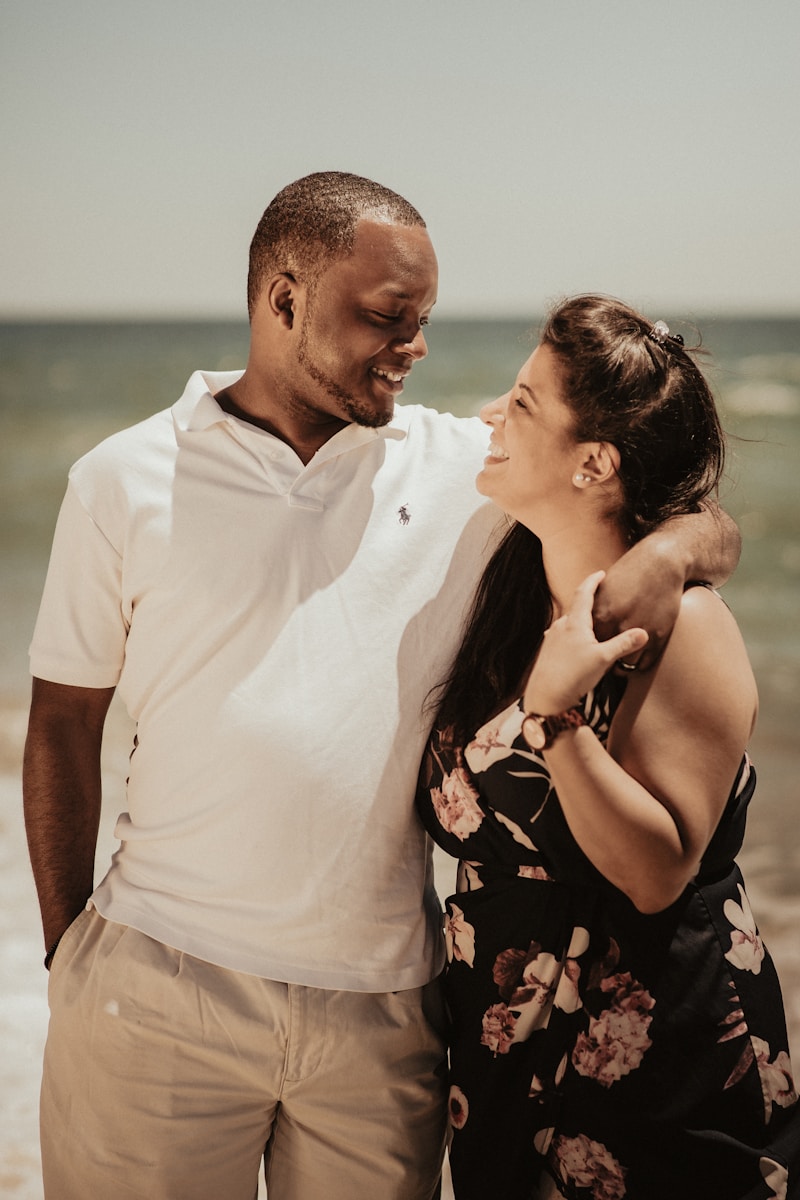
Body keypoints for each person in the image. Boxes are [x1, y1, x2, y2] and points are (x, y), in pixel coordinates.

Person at [24, 174, 739, 1200]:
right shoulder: (122, 478)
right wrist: (68, 951)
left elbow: (663, 497)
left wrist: (668, 555)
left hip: (384, 1013)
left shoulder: (464, 468)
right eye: (385, 317)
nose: (414, 345)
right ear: (281, 301)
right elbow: (61, 722)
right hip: (161, 982)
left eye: (423, 319)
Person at [416, 295, 799, 1200]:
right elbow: (707, 524)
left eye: (521, 402)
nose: (488, 417)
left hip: (651, 1049)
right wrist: (673, 545)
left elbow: (658, 871)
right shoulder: (505, 569)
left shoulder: (684, 626)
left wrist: (555, 720)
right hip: (503, 1046)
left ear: (593, 463)